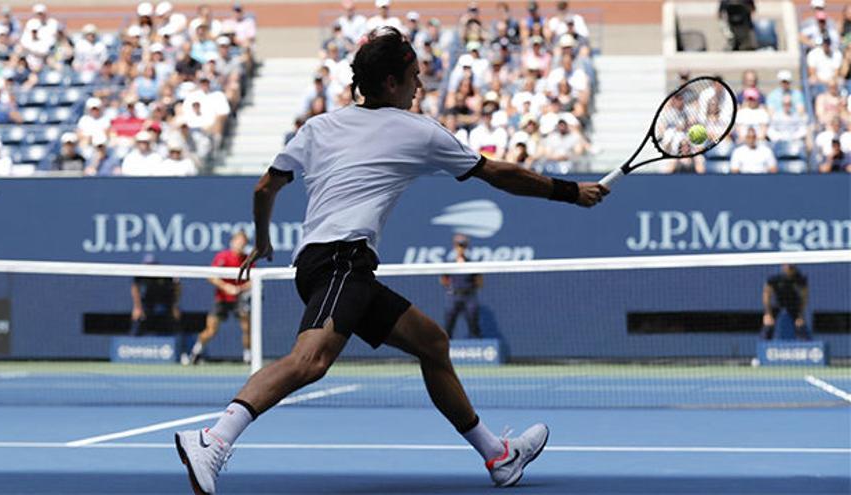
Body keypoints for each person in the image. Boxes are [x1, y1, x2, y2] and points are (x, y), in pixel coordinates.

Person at [175, 27, 608, 494]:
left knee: (432, 342)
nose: (419, 85)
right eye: (413, 76)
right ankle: (214, 438)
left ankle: (499, 457)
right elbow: (499, 174)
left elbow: (265, 188)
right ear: (389, 83)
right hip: (342, 261)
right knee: (311, 361)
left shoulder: (317, 126)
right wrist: (570, 192)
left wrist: (262, 242)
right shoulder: (416, 129)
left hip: (324, 266)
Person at [185, 230, 254, 365]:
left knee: (247, 328)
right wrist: (226, 287)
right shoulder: (223, 257)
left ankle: (248, 357)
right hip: (222, 299)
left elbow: (253, 280)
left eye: (243, 243)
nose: (240, 245)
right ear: (232, 242)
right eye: (238, 242)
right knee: (211, 330)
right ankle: (195, 353)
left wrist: (239, 289)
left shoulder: (248, 259)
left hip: (239, 299)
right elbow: (211, 276)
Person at [440, 235, 483, 338]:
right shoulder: (449, 264)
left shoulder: (472, 264)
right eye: (458, 245)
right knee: (448, 324)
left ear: (466, 246)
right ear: (455, 246)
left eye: (463, 245)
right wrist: (453, 287)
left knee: (473, 323)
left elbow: (479, 282)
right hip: (454, 296)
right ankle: (446, 344)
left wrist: (470, 287)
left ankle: (477, 343)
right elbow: (443, 280)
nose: (460, 248)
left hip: (469, 296)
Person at [131, 254, 182, 336]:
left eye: (152, 265)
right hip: (148, 300)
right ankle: (133, 340)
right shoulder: (141, 273)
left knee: (174, 318)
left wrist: (175, 306)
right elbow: (135, 288)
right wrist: (137, 307)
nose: (149, 267)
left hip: (166, 300)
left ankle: (178, 339)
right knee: (138, 317)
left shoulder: (165, 274)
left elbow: (177, 286)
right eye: (147, 265)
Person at [761, 264, 809, 340]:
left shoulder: (800, 279)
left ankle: (807, 344)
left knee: (800, 324)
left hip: (793, 304)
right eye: (788, 266)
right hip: (777, 304)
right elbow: (766, 295)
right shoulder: (774, 278)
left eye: (792, 267)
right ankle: (763, 345)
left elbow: (804, 297)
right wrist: (768, 313)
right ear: (783, 266)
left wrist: (800, 315)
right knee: (768, 324)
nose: (790, 269)